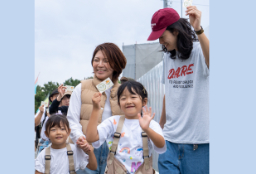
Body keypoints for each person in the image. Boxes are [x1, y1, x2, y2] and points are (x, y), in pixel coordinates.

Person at [147, 7, 209, 173]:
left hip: (198, 143)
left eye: (162, 36)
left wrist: (198, 29)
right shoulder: (168, 57)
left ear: (175, 31)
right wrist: (160, 126)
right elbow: (170, 93)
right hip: (169, 141)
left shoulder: (199, 50)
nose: (160, 42)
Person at [67, 42, 127, 174]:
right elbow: (71, 119)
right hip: (85, 150)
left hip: (115, 151)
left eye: (106, 61)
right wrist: (81, 139)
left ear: (116, 64)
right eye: (96, 60)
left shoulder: (124, 91)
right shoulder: (81, 88)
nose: (100, 65)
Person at [86, 80, 166, 174]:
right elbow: (91, 138)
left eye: (133, 97)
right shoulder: (113, 122)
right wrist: (96, 108)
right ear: (119, 104)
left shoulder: (151, 124)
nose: (128, 101)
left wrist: (146, 129)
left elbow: (161, 145)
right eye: (123, 98)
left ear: (144, 101)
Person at [35, 89, 59, 154]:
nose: (59, 98)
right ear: (51, 98)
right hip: (44, 143)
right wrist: (41, 112)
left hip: (60, 144)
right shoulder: (45, 109)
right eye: (57, 96)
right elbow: (35, 123)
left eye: (61, 96)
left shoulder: (66, 110)